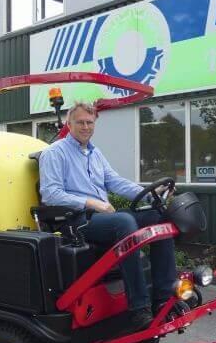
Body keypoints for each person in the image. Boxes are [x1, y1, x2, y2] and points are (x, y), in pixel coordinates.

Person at [39, 101, 177, 328]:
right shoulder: (54, 153)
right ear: (68, 124)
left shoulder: (95, 153)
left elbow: (115, 182)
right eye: (80, 122)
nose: (85, 127)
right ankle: (139, 309)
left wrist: (149, 194)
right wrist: (91, 202)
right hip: (75, 221)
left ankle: (164, 299)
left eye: (89, 122)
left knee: (158, 217)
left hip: (101, 218)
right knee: (124, 222)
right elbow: (51, 194)